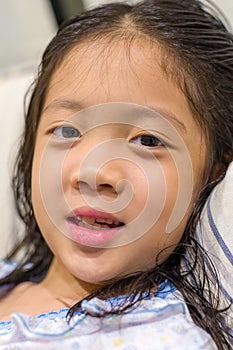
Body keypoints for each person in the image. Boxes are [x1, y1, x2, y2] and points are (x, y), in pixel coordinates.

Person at [0, 0, 232, 348]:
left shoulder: (163, 338)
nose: (94, 173)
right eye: (67, 131)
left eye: (148, 140)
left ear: (212, 173)